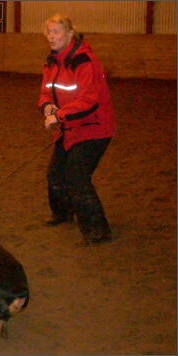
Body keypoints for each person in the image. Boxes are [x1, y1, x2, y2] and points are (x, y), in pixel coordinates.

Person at [37, 14, 115, 247]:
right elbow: (45, 92)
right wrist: (48, 106)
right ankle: (62, 214)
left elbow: (89, 100)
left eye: (57, 32)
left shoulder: (84, 61)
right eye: (49, 32)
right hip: (69, 128)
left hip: (94, 128)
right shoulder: (52, 61)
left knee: (77, 177)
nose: (52, 36)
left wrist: (58, 115)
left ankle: (97, 231)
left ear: (70, 34)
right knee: (55, 174)